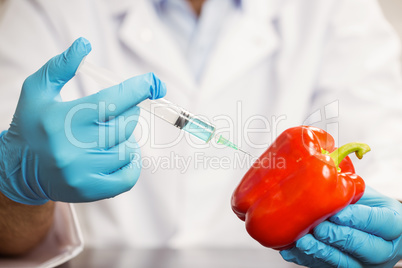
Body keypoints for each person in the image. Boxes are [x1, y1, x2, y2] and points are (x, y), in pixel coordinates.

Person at [0, 0, 402, 267]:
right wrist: (18, 184)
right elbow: (7, 233)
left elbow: (385, 159)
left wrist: (387, 225)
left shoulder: (335, 10)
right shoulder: (47, 9)